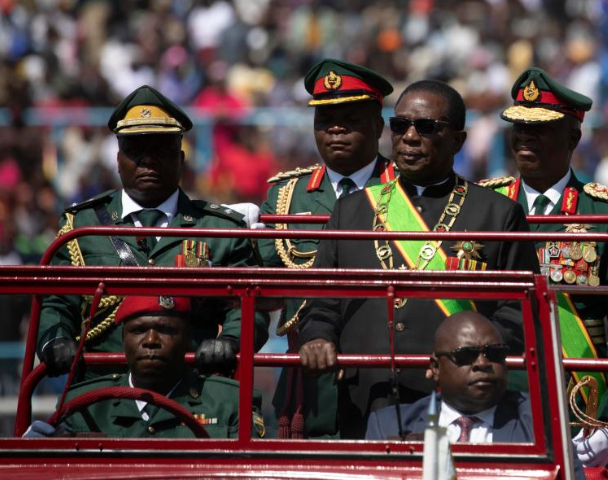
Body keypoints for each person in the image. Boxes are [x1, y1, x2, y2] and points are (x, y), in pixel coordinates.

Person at [298, 80, 538, 438]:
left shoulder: (497, 214)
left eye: (426, 127)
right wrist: (318, 336)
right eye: (400, 125)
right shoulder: (350, 211)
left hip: (456, 407)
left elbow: (518, 312)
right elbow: (322, 301)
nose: (409, 137)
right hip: (366, 395)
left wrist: (470, 357)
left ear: (458, 140)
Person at [37, 85, 268, 380]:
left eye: (160, 149)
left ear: (181, 159)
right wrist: (55, 340)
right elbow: (57, 303)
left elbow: (248, 308)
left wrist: (230, 342)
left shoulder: (219, 229)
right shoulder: (81, 226)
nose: (148, 160)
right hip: (101, 393)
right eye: (135, 151)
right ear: (118, 159)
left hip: (191, 392)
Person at [480, 67, 608, 466]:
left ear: (573, 137)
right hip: (492, 398)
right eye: (519, 127)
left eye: (539, 129)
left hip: (576, 408)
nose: (524, 138)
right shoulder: (485, 206)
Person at [258, 59, 395, 438]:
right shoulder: (285, 196)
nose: (335, 130)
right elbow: (258, 288)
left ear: (377, 126)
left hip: (389, 373)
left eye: (350, 119)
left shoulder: (408, 192)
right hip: (309, 382)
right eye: (325, 122)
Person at [366, 312, 586, 480]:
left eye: (495, 353)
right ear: (435, 367)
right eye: (466, 355)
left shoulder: (542, 422)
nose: (482, 363)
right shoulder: (390, 426)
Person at [25, 295, 266, 438]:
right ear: (123, 339)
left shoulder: (230, 402)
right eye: (138, 330)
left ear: (187, 339)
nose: (151, 340)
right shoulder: (84, 405)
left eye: (166, 330)